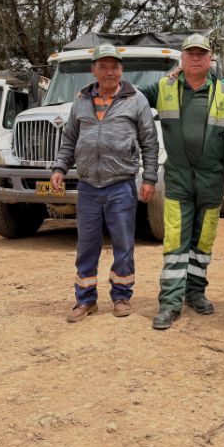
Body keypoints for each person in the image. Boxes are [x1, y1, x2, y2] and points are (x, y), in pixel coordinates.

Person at [51, 43, 158, 322]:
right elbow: (69, 140)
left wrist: (149, 177)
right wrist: (59, 168)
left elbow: (149, 142)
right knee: (86, 245)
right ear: (94, 70)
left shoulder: (136, 100)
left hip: (120, 184)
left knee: (123, 243)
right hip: (87, 186)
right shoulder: (81, 101)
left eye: (114, 66)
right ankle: (85, 300)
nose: (109, 71)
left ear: (121, 69)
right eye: (103, 66)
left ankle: (121, 296)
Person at [139, 33, 224, 330]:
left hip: (211, 180)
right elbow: (128, 94)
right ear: (181, 58)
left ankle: (196, 293)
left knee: (202, 242)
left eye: (200, 53)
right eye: (189, 52)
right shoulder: (164, 87)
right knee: (176, 240)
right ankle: (170, 303)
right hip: (178, 179)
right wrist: (92, 92)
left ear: (209, 58)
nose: (195, 57)